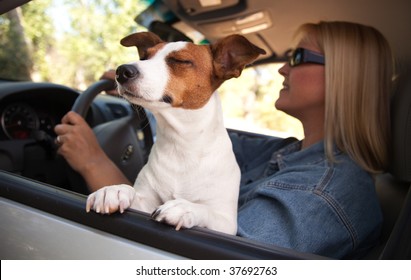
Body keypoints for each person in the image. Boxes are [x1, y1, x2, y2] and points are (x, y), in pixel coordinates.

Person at [54, 21, 395, 259]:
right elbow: (190, 134)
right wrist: (143, 86)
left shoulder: (321, 193)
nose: (281, 69)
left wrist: (95, 163)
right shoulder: (287, 152)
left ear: (344, 78)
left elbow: (194, 264)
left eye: (297, 58)